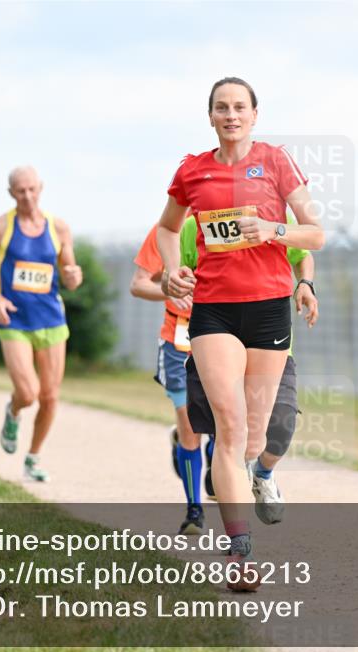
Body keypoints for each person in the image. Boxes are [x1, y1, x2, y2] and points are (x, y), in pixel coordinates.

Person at [157, 77, 324, 591]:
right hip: (214, 311)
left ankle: (257, 476)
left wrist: (273, 231)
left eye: (239, 107)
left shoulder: (275, 161)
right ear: (210, 116)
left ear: (254, 114)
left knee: (254, 435)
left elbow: (316, 231)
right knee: (229, 429)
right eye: (221, 108)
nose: (230, 115)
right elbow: (167, 229)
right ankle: (239, 551)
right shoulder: (192, 170)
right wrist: (172, 270)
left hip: (269, 309)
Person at [184, 219, 318, 525]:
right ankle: (239, 536)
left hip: (272, 346)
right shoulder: (194, 224)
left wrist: (306, 284)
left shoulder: (274, 215)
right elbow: (180, 270)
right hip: (219, 344)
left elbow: (302, 254)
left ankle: (263, 474)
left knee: (281, 428)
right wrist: (178, 281)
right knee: (231, 430)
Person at [0, 166, 83, 483]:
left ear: (41, 188)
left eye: (32, 189)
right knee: (28, 393)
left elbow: (71, 275)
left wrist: (74, 276)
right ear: (11, 193)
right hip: (14, 320)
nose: (28, 196)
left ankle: (33, 458)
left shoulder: (58, 228)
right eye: (21, 191)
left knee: (50, 396)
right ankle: (14, 411)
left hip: (52, 320)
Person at [130, 216, 214, 535]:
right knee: (190, 424)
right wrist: (168, 292)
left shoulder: (227, 220)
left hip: (222, 337)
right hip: (179, 341)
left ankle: (213, 460)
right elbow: (138, 283)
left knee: (222, 424)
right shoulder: (169, 229)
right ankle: (194, 511)